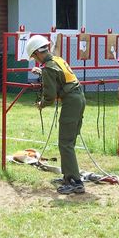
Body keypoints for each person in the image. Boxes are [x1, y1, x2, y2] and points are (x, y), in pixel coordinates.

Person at [27, 35, 86, 195]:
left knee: (65, 143)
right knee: (69, 142)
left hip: (71, 102)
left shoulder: (48, 68)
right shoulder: (58, 60)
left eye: (33, 57)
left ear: (37, 53)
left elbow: (50, 96)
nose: (34, 60)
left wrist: (42, 104)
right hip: (79, 98)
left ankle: (75, 181)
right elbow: (58, 75)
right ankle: (68, 176)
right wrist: (43, 72)